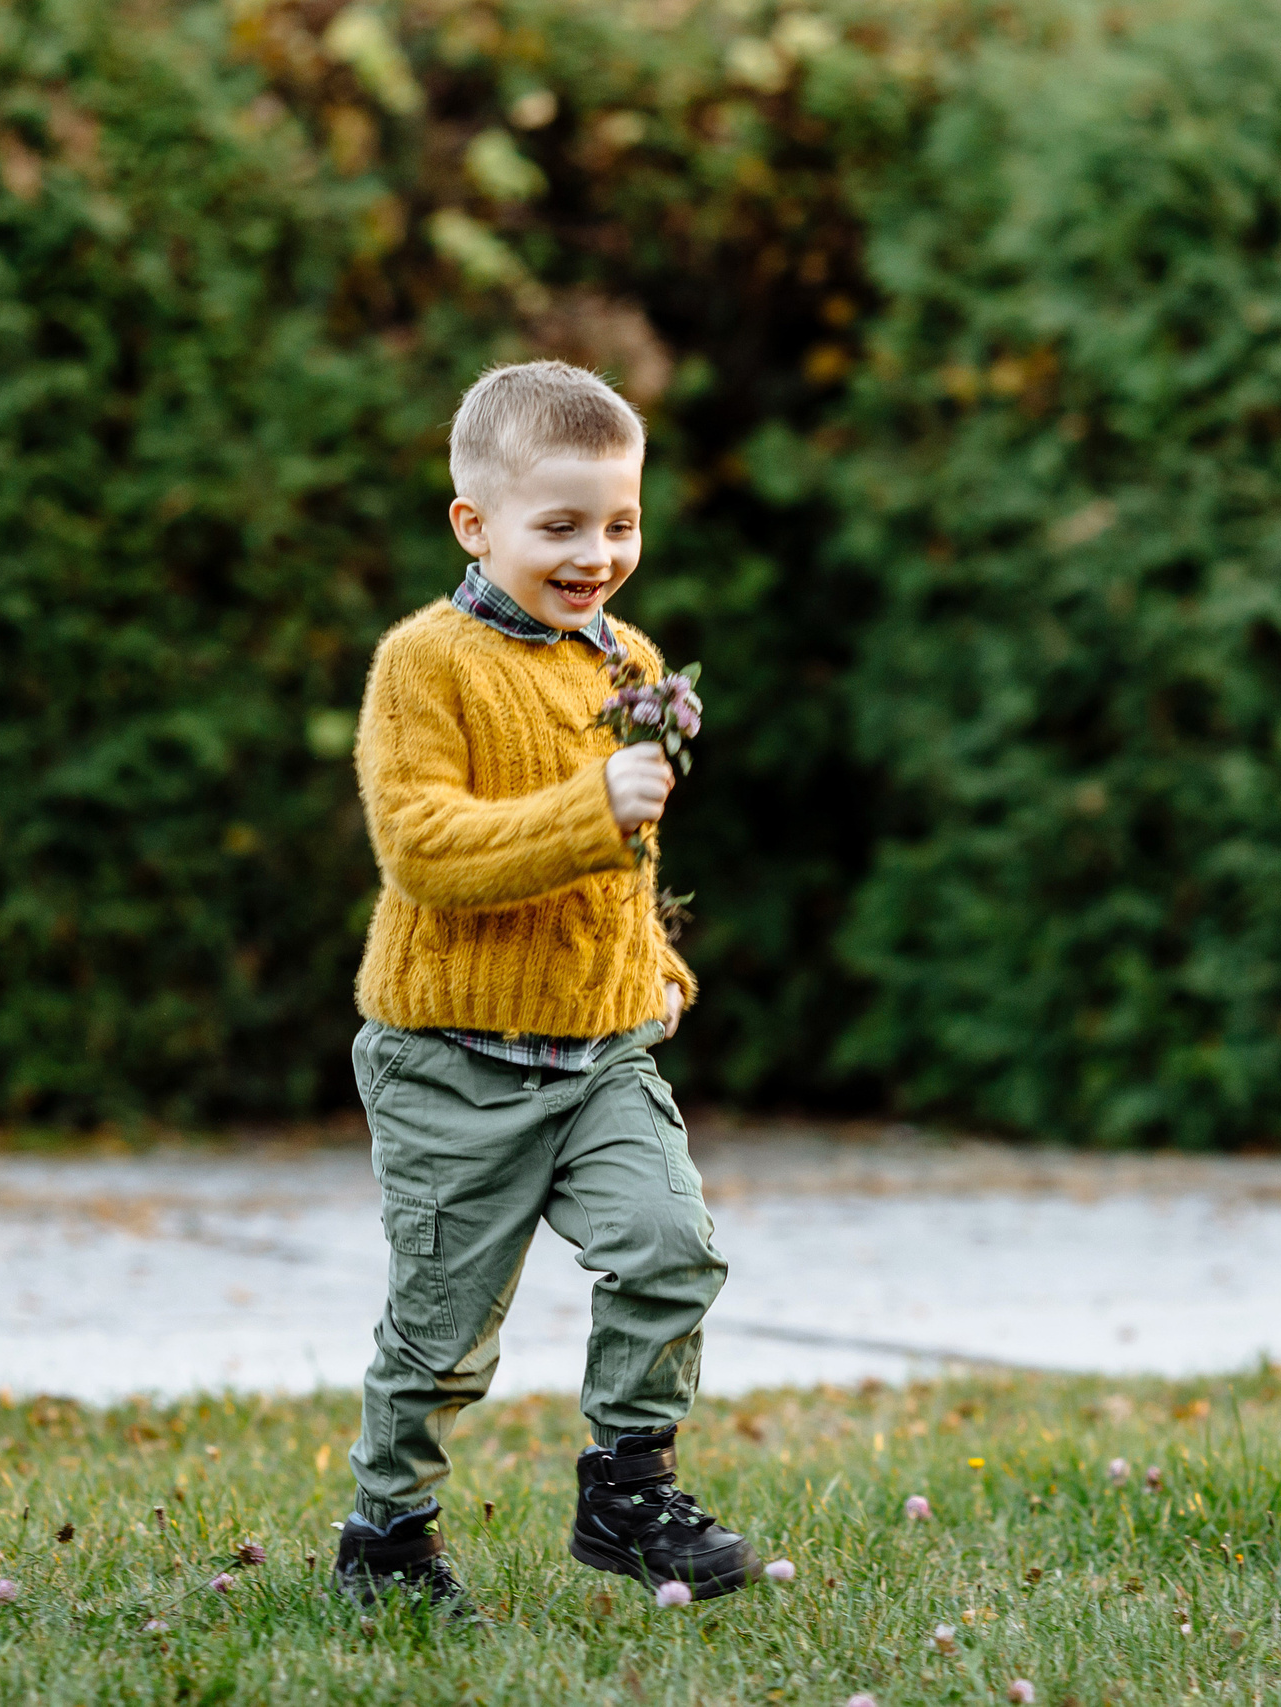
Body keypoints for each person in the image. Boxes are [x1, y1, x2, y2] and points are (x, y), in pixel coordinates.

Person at [328, 360, 758, 1611]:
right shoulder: (427, 664)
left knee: (671, 1248)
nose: (597, 553)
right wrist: (587, 807)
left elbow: (623, 861)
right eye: (559, 526)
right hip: (451, 1058)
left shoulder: (629, 657)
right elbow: (422, 846)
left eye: (619, 522)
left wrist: (653, 963)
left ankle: (628, 1491)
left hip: (600, 1049)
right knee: (444, 1330)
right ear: (476, 523)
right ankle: (389, 1541)